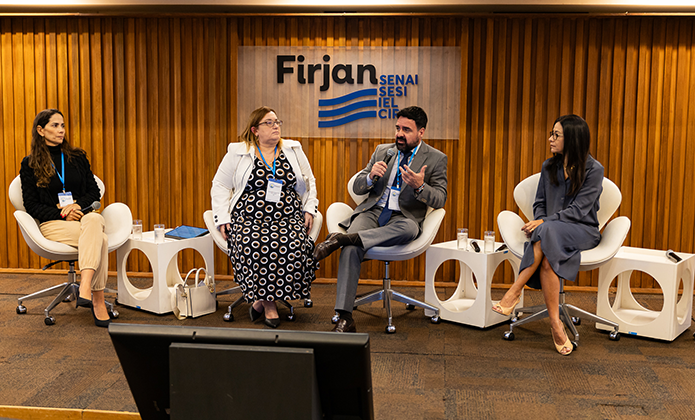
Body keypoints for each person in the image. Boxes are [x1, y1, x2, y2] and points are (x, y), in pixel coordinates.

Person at [313, 106, 448, 333]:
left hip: (402, 217)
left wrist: (420, 186)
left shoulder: (435, 158)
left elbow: (441, 198)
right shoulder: (383, 151)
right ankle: (345, 316)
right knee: (352, 248)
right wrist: (369, 177)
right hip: (372, 212)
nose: (399, 134)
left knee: (408, 229)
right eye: (398, 128)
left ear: (421, 132)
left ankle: (341, 239)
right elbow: (356, 186)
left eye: (407, 129)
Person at [492, 114, 603, 356]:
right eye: (551, 133)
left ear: (572, 139)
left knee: (545, 230)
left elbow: (579, 210)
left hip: (583, 230)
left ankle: (514, 291)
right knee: (549, 260)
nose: (550, 139)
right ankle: (556, 324)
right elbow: (539, 203)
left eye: (556, 135)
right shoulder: (548, 166)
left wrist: (544, 222)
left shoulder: (594, 170)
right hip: (550, 232)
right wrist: (542, 220)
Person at [211, 106, 319, 328]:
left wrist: (309, 208)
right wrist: (222, 217)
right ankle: (269, 305)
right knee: (255, 242)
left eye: (277, 122)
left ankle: (259, 302)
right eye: (269, 123)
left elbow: (309, 182)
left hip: (287, 215)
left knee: (294, 243)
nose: (276, 126)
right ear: (255, 130)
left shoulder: (293, 149)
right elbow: (220, 185)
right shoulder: (238, 151)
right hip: (248, 216)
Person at [19, 109, 112, 327]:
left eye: (62, 125)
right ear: (40, 130)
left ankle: (86, 285)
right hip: (54, 223)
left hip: (83, 219)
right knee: (102, 239)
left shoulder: (77, 157)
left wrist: (78, 206)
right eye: (54, 126)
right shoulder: (30, 163)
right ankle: (97, 298)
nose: (61, 130)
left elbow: (93, 192)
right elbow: (31, 205)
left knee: (94, 220)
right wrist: (62, 212)